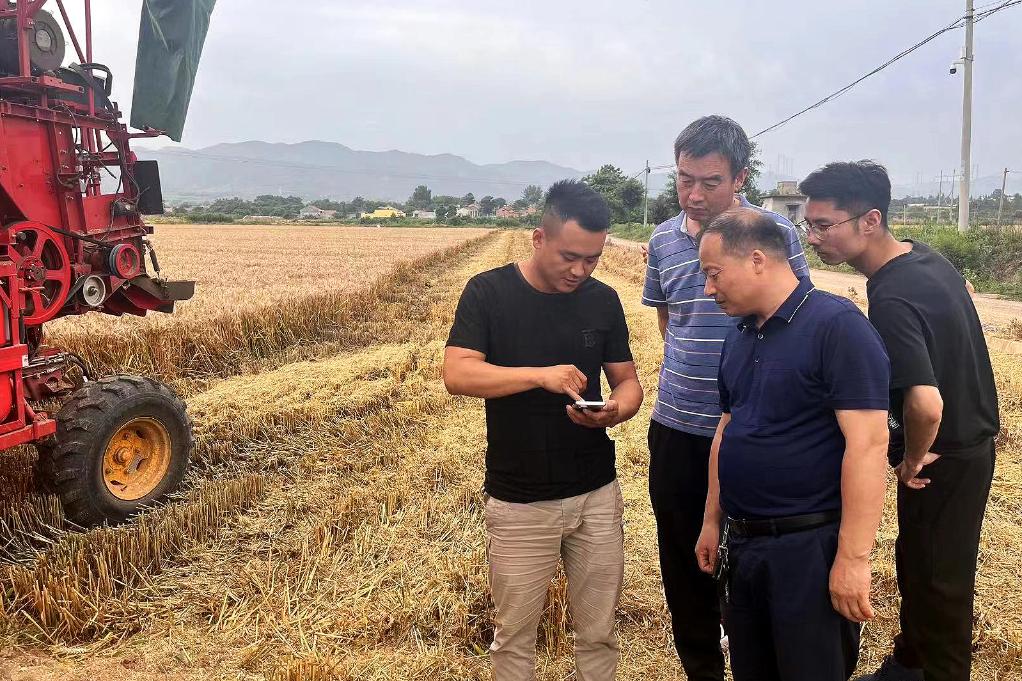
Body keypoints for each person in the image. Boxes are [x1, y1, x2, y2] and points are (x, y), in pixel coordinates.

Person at [799, 161, 1000, 681]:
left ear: (870, 221)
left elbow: (926, 404)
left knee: (938, 582)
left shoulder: (889, 296)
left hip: (943, 457)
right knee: (922, 563)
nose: (813, 238)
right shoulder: (925, 258)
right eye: (808, 224)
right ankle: (909, 663)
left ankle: (937, 670)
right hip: (973, 442)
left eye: (824, 225)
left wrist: (910, 459)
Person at [443, 179, 643, 681]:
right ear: (538, 238)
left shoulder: (602, 300)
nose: (580, 270)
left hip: (596, 492)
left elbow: (628, 383)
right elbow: (458, 374)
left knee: (599, 632)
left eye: (592, 259)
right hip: (519, 499)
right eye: (569, 257)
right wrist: (539, 376)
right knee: (514, 638)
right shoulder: (489, 292)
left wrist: (615, 411)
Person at [641, 115, 810, 680]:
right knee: (682, 561)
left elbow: (796, 312)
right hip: (677, 428)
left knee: (750, 560)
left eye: (709, 182)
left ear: (739, 178)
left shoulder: (772, 234)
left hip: (751, 431)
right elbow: (671, 323)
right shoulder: (663, 240)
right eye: (684, 179)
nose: (694, 194)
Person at [693, 207, 891, 681]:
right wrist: (711, 520)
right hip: (744, 546)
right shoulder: (740, 334)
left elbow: (868, 445)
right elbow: (727, 430)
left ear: (757, 260)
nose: (708, 289)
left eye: (714, 273)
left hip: (807, 550)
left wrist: (852, 559)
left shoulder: (837, 327)